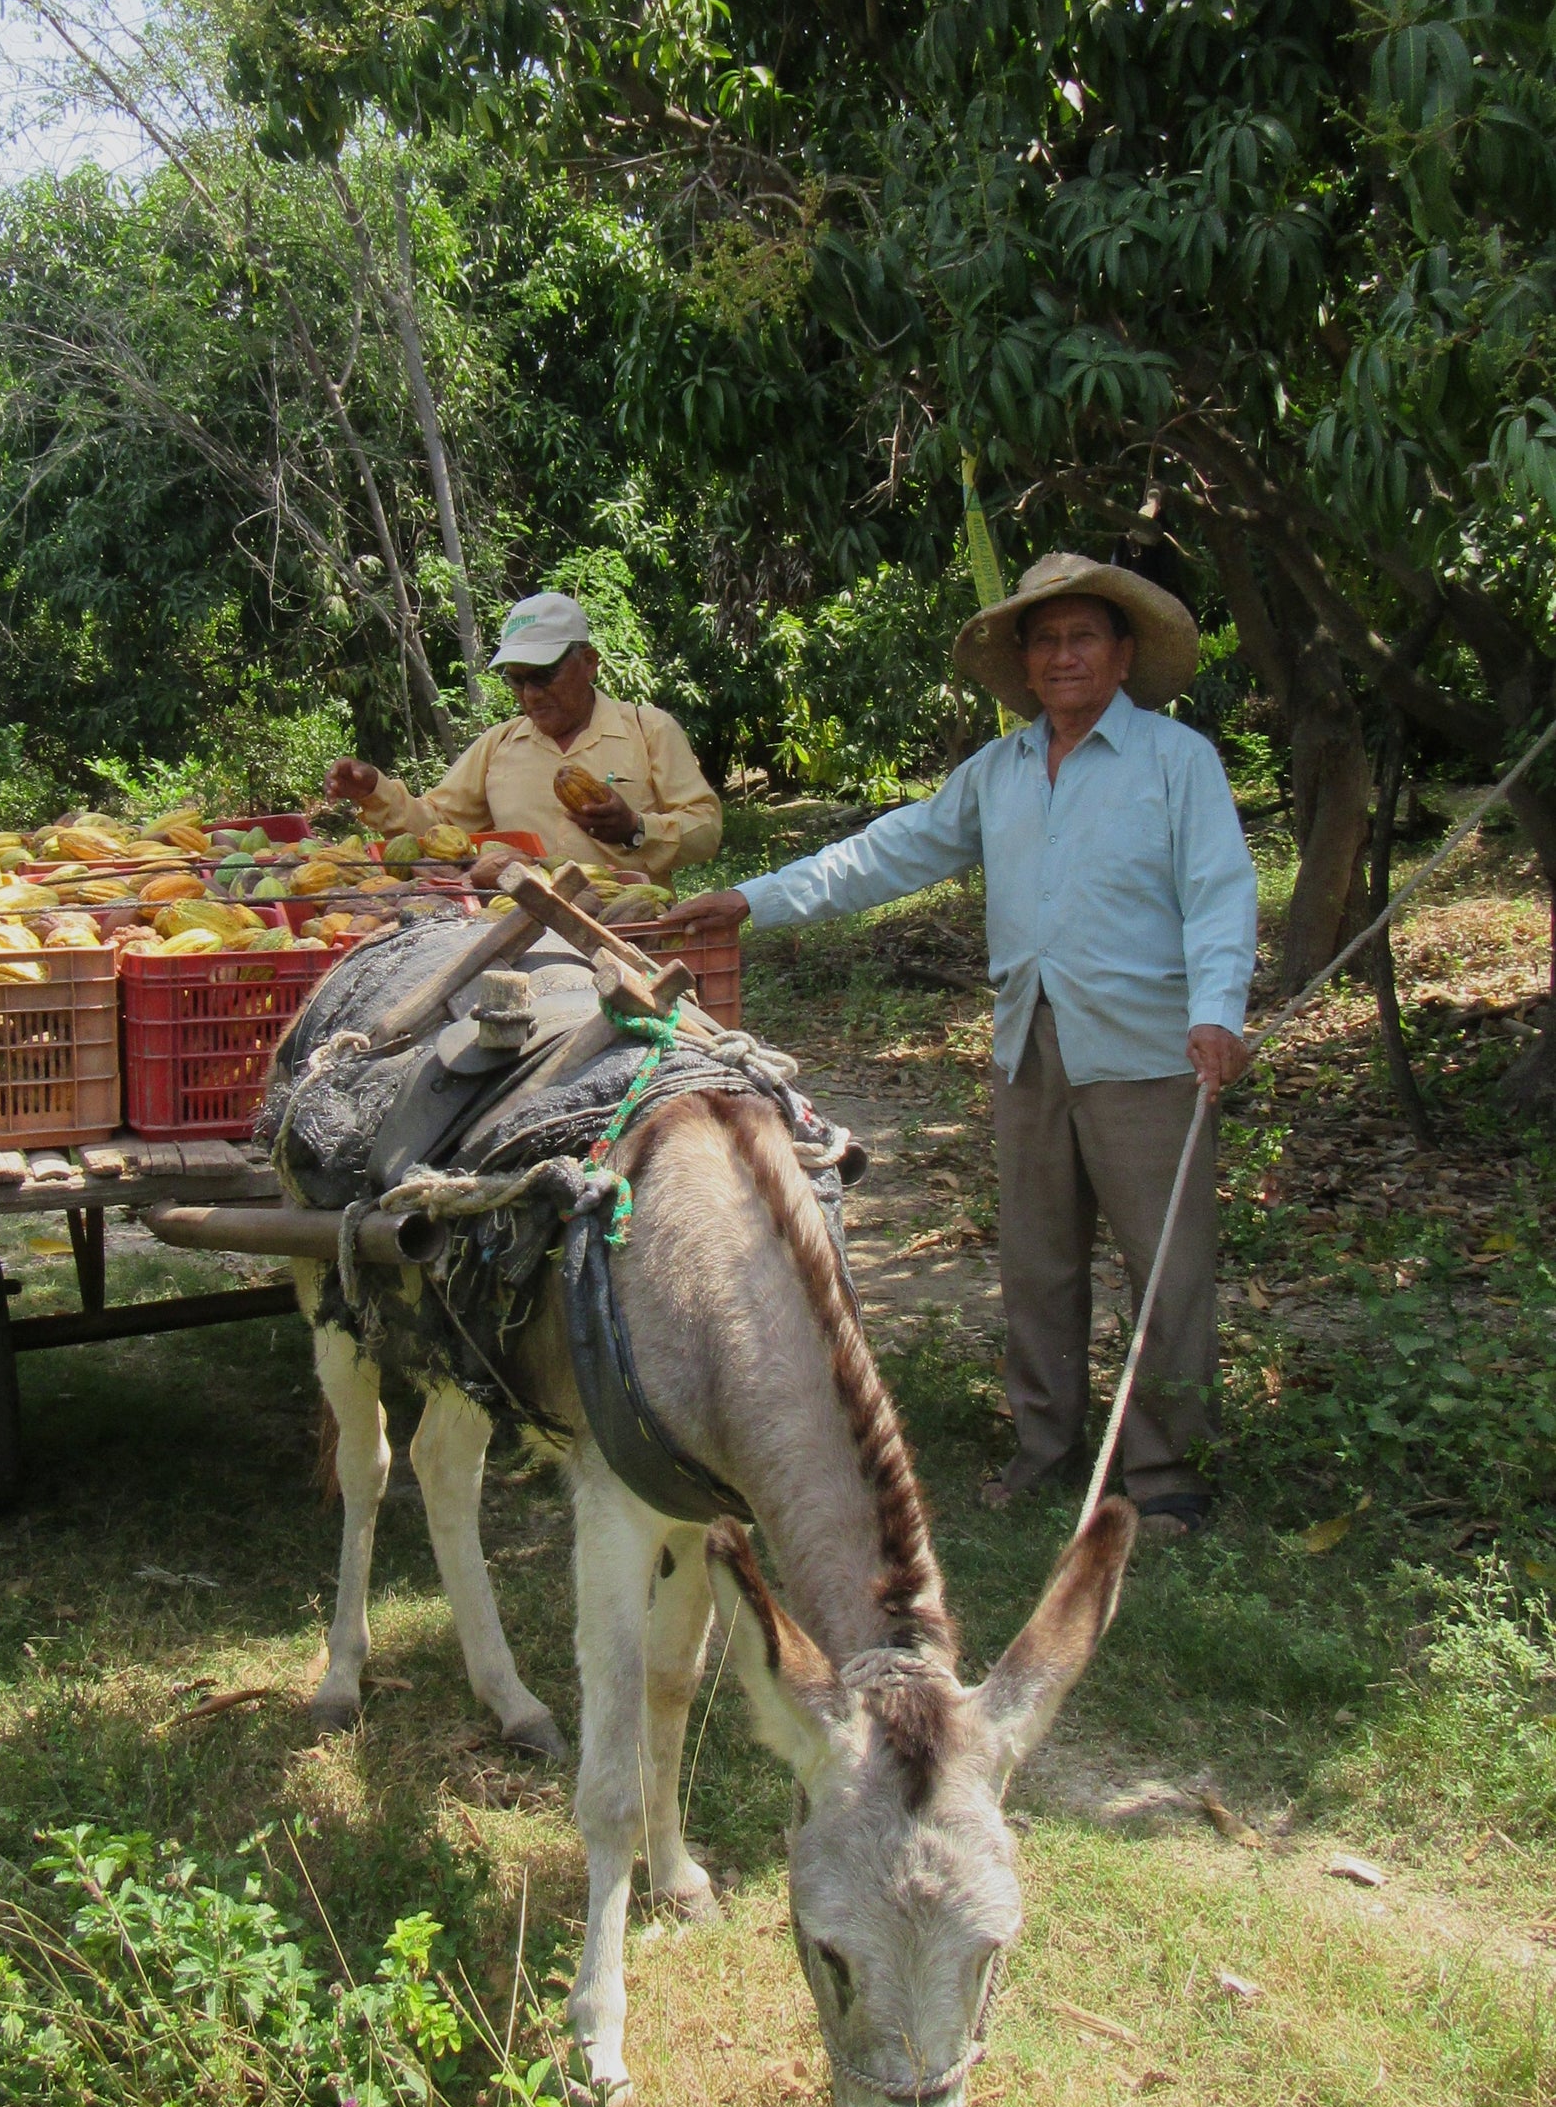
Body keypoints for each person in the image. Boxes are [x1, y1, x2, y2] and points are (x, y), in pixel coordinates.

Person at [677, 551, 1257, 1538]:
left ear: (1120, 655)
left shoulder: (1174, 763)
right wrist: (750, 899)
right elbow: (884, 853)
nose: (1062, 656)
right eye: (1044, 640)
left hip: (1147, 1054)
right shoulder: (998, 772)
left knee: (1165, 1265)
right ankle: (1043, 1447)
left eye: (1081, 636)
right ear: (1023, 665)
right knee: (1037, 1265)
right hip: (1030, 1047)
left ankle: (1165, 1474)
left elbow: (1218, 895)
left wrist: (1217, 1012)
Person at [324, 590, 724, 881]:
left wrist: (636, 829)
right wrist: (374, 790)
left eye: (544, 676)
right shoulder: (499, 746)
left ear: (588, 663)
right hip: (525, 943)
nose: (531, 695)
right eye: (517, 681)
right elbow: (439, 829)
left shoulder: (648, 730)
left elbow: (705, 828)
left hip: (636, 940)